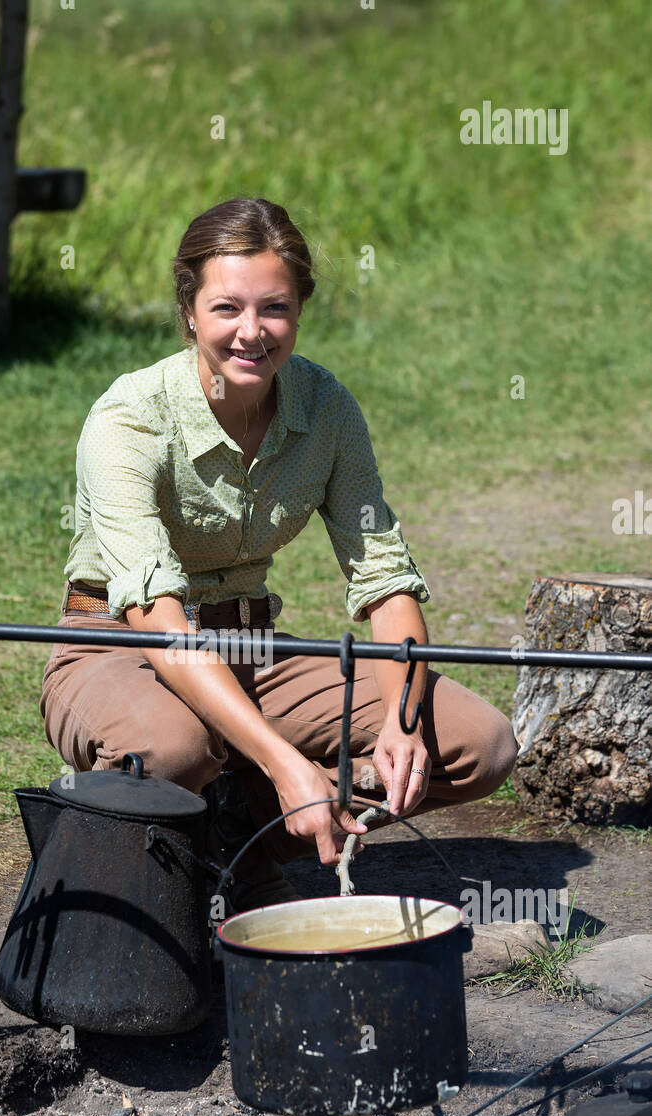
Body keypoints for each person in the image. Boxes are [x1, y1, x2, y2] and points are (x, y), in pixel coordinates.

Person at [40, 197, 518, 912]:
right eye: (228, 308)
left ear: (300, 310)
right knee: (174, 750)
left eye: (277, 309)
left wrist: (404, 718)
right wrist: (286, 761)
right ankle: (141, 854)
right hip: (120, 646)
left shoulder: (326, 408)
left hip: (251, 644)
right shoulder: (129, 417)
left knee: (480, 743)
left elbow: (386, 580)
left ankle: (244, 839)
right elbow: (158, 618)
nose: (252, 332)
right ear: (190, 309)